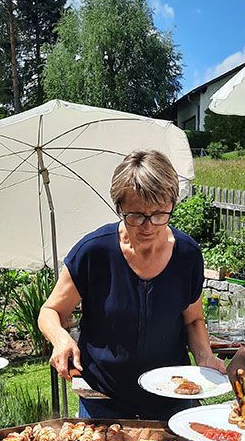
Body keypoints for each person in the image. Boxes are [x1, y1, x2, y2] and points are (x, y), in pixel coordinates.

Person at [38, 150, 225, 420]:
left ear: (172, 204)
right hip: (102, 401)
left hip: (171, 400)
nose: (148, 226)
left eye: (159, 214)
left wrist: (205, 357)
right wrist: (60, 339)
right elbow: (50, 311)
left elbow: (193, 321)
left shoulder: (187, 254)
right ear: (119, 208)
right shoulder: (94, 252)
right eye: (136, 215)